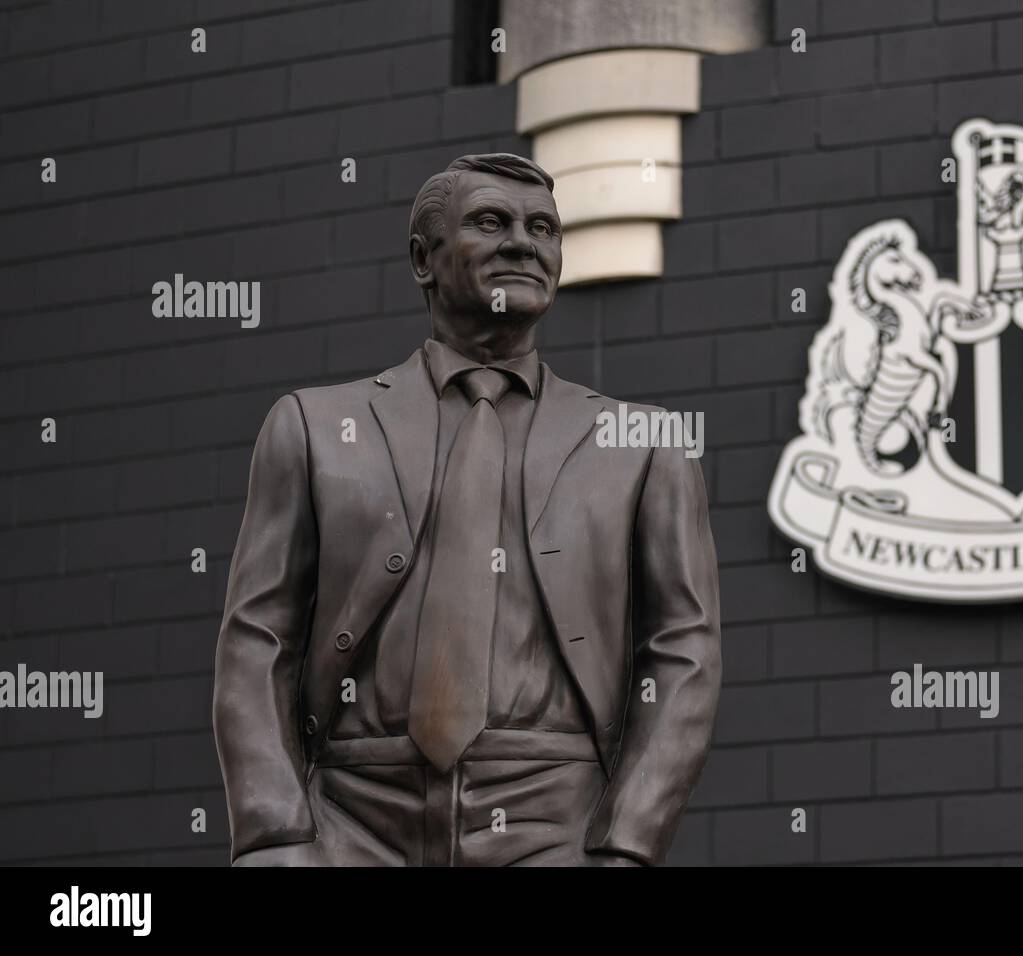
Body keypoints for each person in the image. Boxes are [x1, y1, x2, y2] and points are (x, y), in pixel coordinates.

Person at [213, 153, 722, 866]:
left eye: (543, 228)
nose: (524, 242)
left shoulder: (644, 446)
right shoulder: (312, 428)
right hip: (352, 819)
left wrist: (628, 842)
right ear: (424, 258)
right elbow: (258, 637)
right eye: (492, 222)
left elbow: (683, 651)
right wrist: (272, 833)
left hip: (556, 821)